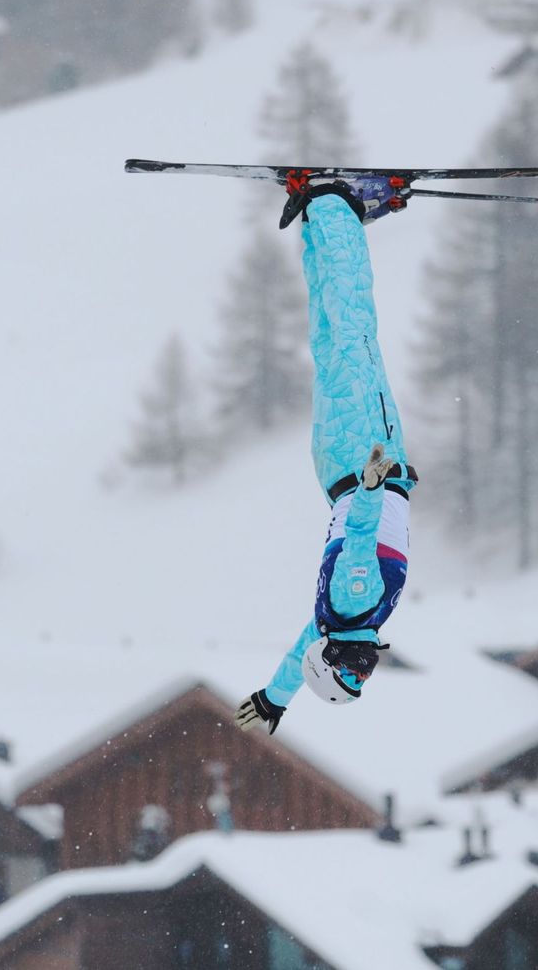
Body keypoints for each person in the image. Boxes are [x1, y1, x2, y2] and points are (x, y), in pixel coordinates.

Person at [235, 173, 418, 736]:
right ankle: (327, 217)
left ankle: (334, 210)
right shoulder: (345, 614)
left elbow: (362, 539)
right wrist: (274, 696)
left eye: (350, 674)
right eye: (358, 678)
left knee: (351, 332)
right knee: (338, 337)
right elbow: (359, 536)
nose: (362, 670)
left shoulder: (348, 615)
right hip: (352, 463)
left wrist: (276, 696)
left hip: (365, 454)